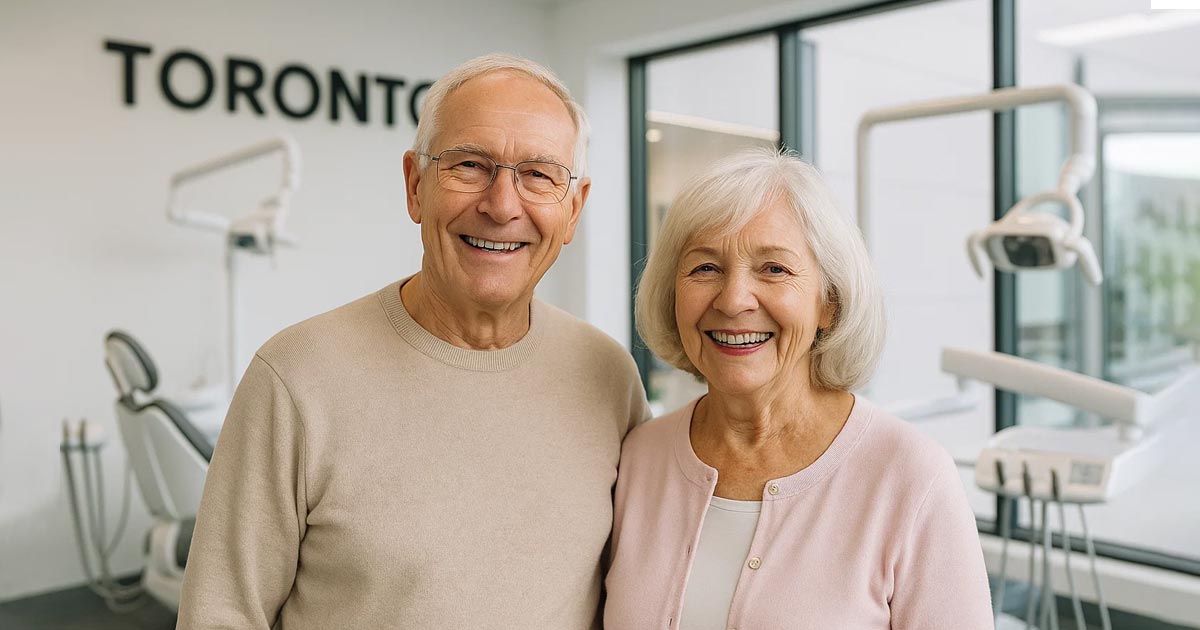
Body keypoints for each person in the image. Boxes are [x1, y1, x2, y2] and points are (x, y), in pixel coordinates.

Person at [177, 54, 650, 629]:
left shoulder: (608, 376)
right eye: (470, 165)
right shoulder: (296, 377)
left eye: (539, 175)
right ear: (415, 185)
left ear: (573, 209)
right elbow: (220, 615)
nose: (502, 206)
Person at [605, 148, 993, 629]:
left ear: (828, 302)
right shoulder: (640, 458)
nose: (733, 301)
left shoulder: (910, 476)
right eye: (705, 268)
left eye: (774, 269)